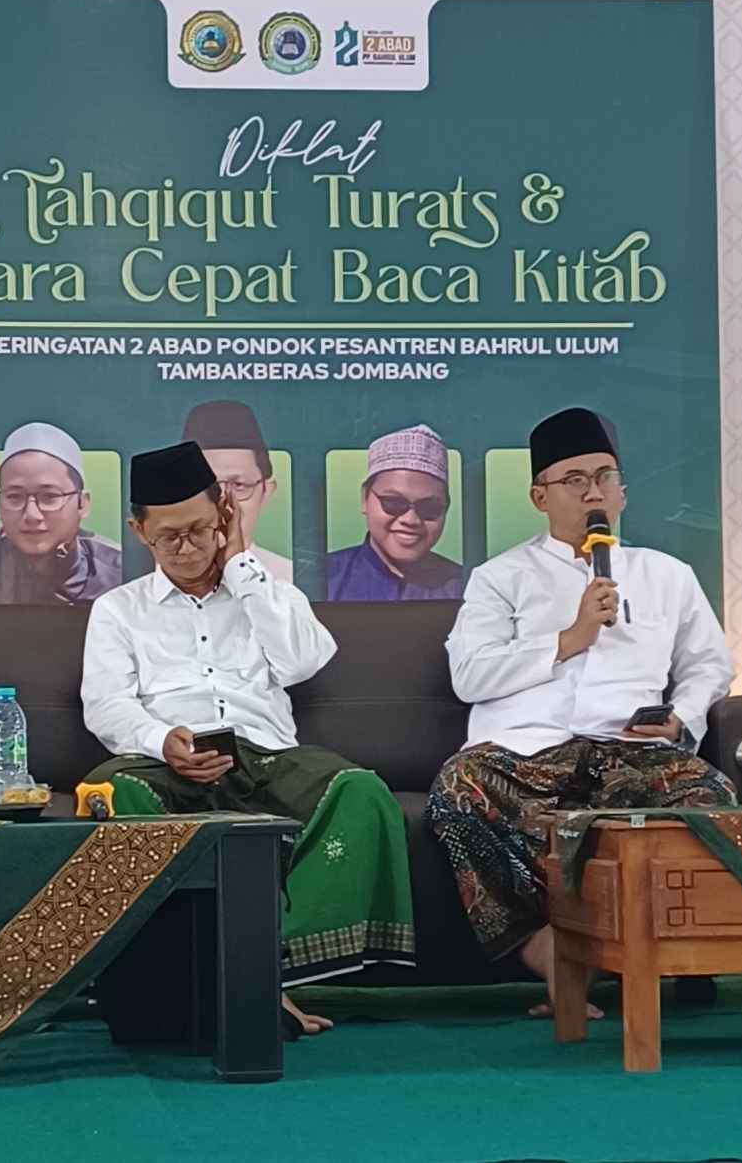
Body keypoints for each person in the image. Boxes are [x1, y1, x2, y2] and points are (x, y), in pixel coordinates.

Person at [79, 440, 414, 1037]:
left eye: (199, 530)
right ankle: (204, 982)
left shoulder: (269, 590)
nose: (187, 548)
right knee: (111, 793)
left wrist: (239, 563)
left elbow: (303, 661)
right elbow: (106, 705)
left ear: (224, 514)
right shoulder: (117, 609)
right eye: (168, 537)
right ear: (138, 531)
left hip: (269, 757)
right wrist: (162, 740)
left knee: (360, 793)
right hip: (165, 763)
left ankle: (260, 973)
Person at [429, 407, 736, 1014]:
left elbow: (709, 665)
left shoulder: (667, 575)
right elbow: (469, 675)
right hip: (526, 754)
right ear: (539, 496)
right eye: (575, 480)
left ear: (622, 492)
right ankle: (545, 950)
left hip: (631, 751)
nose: (593, 492)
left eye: (604, 477)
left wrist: (681, 716)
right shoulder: (500, 577)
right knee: (458, 788)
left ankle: (673, 958)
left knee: (712, 794)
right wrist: (569, 638)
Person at [0, 421, 120, 604]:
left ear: (82, 504)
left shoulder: (116, 569)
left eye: (50, 496)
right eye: (14, 497)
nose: (32, 515)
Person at [325, 423, 466, 601]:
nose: (411, 520)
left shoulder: (470, 588)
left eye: (429, 508)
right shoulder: (320, 579)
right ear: (365, 498)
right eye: (394, 503)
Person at [185, 399, 295, 583]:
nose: (222, 503)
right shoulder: (147, 584)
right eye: (205, 486)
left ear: (266, 492)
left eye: (239, 485)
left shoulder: (289, 579)